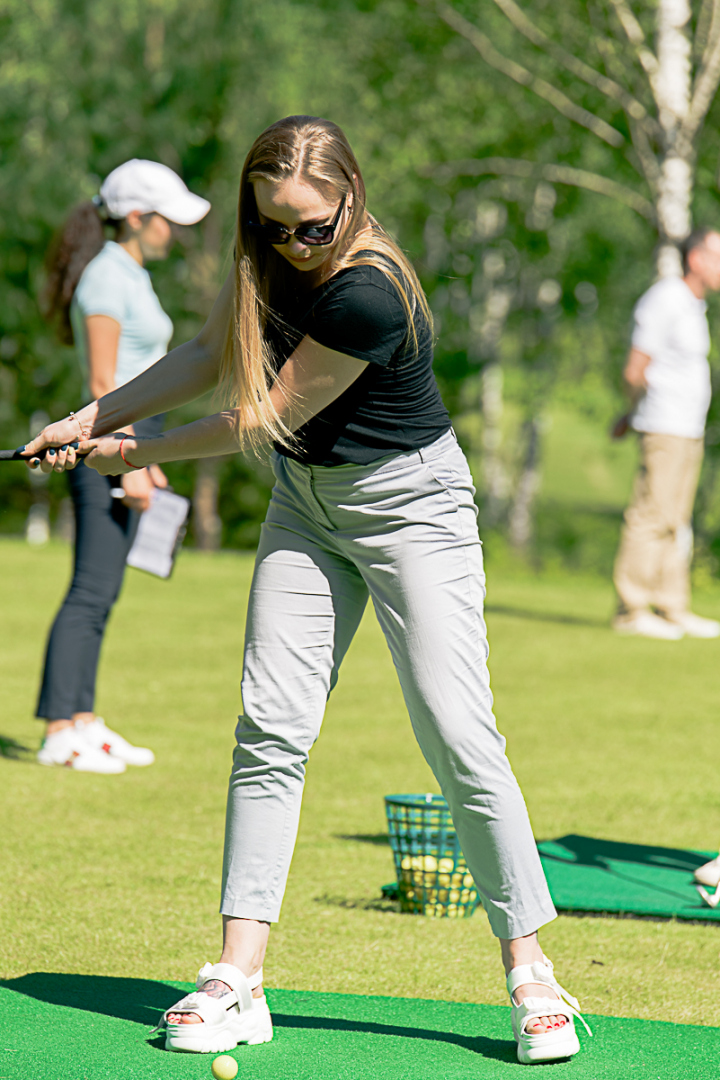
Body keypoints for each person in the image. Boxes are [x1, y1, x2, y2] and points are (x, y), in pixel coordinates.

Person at [25, 116, 588, 1064]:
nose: (292, 243)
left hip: (412, 509)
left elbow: (263, 417)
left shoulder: (371, 293)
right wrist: (84, 415)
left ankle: (533, 973)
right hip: (306, 509)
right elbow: (206, 360)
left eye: (309, 227)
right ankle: (237, 977)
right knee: (270, 725)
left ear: (350, 196)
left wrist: (129, 451)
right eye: (273, 227)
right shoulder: (263, 262)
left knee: (458, 732)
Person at [35, 160, 210, 773]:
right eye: (167, 220)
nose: (174, 232)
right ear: (137, 218)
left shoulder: (129, 274)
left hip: (133, 438)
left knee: (104, 590)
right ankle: (60, 729)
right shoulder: (107, 278)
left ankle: (82, 721)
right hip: (107, 440)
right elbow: (103, 382)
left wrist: (148, 455)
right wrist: (128, 459)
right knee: (90, 588)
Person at [612, 227, 720, 641]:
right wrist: (632, 412)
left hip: (688, 428)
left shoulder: (694, 306)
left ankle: (671, 605)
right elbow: (636, 367)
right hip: (664, 425)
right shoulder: (666, 298)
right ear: (696, 259)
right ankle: (631, 608)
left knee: (676, 518)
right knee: (650, 514)